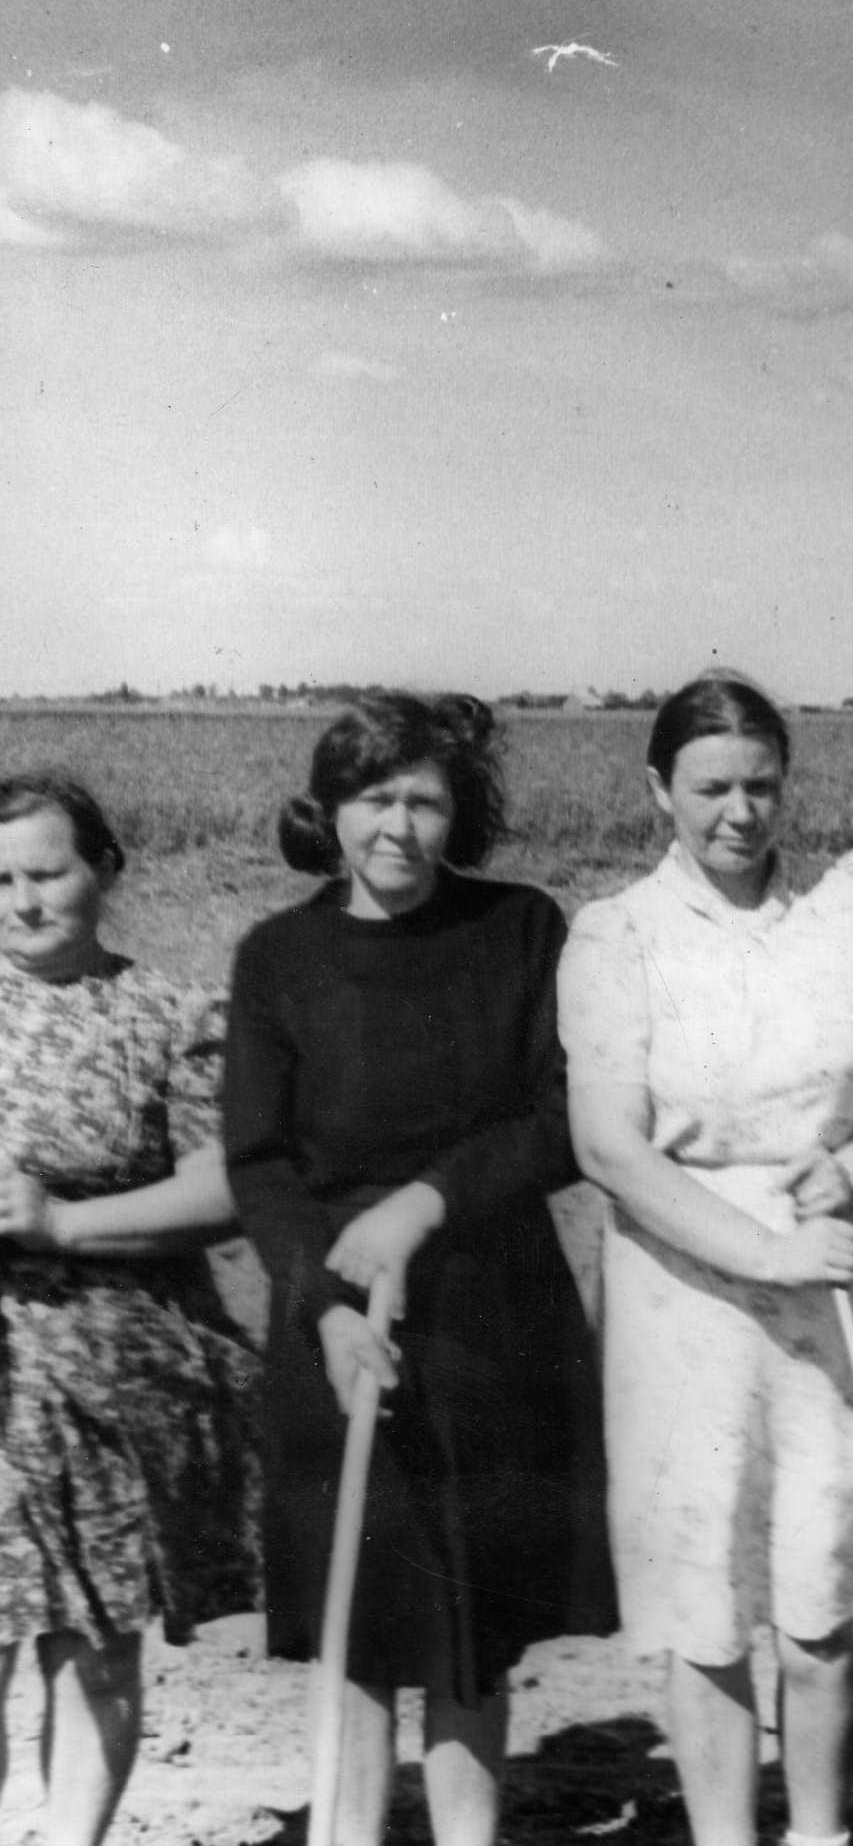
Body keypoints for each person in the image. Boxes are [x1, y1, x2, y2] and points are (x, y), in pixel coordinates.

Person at [223, 694, 614, 1846]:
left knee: (469, 1622)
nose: (398, 826)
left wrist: (427, 1202)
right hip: (332, 1315)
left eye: (426, 800)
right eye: (374, 798)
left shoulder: (522, 930)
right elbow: (259, 1162)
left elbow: (559, 1118)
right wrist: (327, 1314)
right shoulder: (279, 958)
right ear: (330, 810)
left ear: (463, 813)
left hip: (491, 1316)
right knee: (357, 1617)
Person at [559, 672, 853, 1846]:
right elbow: (611, 1150)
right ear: (658, 789)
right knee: (705, 1597)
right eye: (712, 787)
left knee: (819, 1595)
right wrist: (764, 1252)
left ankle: (817, 1831)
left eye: (762, 786)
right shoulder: (616, 935)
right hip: (688, 1294)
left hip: (831, 1280)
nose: (739, 813)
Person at [0, 771, 258, 1846]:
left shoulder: (177, 1012)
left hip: (120, 1375)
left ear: (104, 871)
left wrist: (56, 1224)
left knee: (94, 1638)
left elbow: (224, 1190)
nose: (20, 903)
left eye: (46, 874)